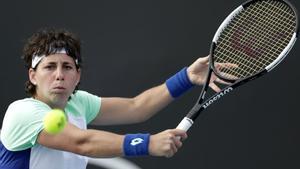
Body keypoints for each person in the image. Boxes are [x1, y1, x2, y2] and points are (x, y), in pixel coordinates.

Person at [0, 28, 225, 169]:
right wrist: (147, 143)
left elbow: (137, 107)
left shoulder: (78, 103)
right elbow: (82, 142)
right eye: (50, 67)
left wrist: (186, 77)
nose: (59, 74)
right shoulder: (23, 112)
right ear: (33, 76)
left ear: (77, 76)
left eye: (67, 67)